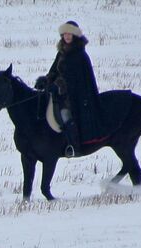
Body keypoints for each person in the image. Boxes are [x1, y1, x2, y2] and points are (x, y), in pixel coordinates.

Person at [44, 21, 101, 157]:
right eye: (65, 34)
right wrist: (46, 81)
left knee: (66, 116)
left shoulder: (80, 55)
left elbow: (77, 80)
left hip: (76, 97)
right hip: (60, 94)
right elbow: (54, 70)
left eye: (70, 34)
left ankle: (74, 146)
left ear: (75, 35)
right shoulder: (61, 53)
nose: (67, 36)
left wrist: (59, 85)